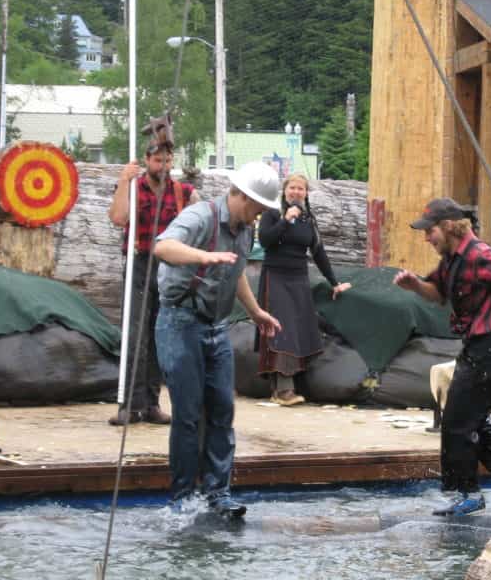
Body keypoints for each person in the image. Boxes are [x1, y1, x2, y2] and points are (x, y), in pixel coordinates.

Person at [393, 197, 491, 516]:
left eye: (430, 231)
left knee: (457, 421)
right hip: (473, 348)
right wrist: (415, 285)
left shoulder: (481, 255)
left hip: (489, 348)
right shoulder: (452, 259)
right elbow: (438, 294)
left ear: (449, 226)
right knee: (471, 419)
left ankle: (471, 494)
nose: (427, 238)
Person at [154, 161, 283, 519]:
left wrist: (256, 312)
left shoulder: (245, 230)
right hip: (180, 322)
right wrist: (203, 256)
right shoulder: (201, 217)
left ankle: (218, 493)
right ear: (240, 195)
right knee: (188, 414)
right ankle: (181, 497)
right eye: (258, 206)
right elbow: (163, 247)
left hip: (216, 326)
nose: (259, 214)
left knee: (223, 410)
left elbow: (236, 271)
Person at [107, 115, 198, 426]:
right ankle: (129, 404)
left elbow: (197, 225)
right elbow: (119, 218)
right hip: (139, 263)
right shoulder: (134, 187)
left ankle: (152, 403)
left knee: (161, 337)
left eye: (167, 159)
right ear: (147, 160)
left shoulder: (182, 191)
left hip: (169, 270)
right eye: (157, 159)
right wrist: (123, 180)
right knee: (135, 335)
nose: (163, 164)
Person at [256, 173, 351, 406]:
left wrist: (334, 282)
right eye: (292, 188)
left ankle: (281, 388)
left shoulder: (309, 220)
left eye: (301, 189)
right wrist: (285, 220)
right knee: (281, 330)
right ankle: (283, 391)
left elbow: (318, 253)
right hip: (275, 277)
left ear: (306, 193)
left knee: (298, 331)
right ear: (284, 190)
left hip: (298, 279)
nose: (296, 192)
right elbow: (265, 240)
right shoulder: (272, 214)